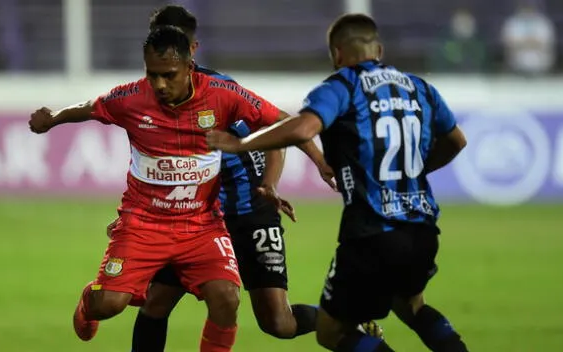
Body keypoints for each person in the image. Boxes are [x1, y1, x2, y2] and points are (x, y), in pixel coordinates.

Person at [207, 13, 469, 352]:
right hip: (422, 228)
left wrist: (241, 143)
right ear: (379, 49)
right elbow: (457, 141)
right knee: (412, 306)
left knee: (331, 332)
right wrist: (416, 173)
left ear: (337, 54)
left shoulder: (343, 85)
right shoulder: (420, 87)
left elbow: (302, 128)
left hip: (371, 234)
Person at [29, 25, 287, 352]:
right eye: (152, 75)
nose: (160, 84)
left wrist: (277, 176)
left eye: (169, 75)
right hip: (143, 225)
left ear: (190, 67)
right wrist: (53, 117)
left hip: (201, 226)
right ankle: (88, 302)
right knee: (109, 304)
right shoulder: (131, 97)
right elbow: (90, 107)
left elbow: (282, 122)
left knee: (226, 298)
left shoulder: (222, 94)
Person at [116, 5, 340, 352]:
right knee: (156, 302)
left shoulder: (220, 92)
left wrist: (274, 181)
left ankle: (344, 321)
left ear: (191, 49)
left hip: (249, 213)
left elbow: (279, 130)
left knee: (278, 323)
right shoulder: (148, 98)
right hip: (197, 221)